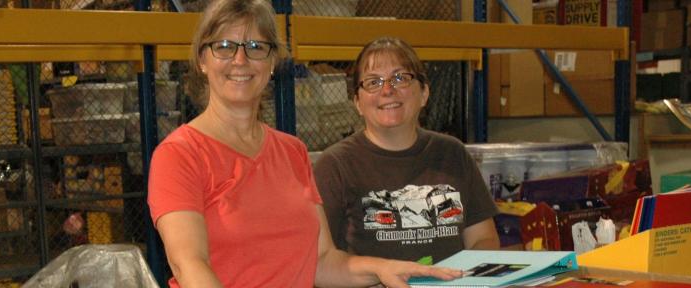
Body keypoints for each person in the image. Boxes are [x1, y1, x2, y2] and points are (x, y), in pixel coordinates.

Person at [147, 1, 462, 287]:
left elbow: (322, 262)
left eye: (256, 46)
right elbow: (189, 264)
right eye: (225, 46)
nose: (240, 59)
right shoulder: (180, 155)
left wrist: (383, 268)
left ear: (272, 62)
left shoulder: (292, 151)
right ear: (203, 59)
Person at [313, 37, 501, 265]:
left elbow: (483, 239)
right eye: (373, 82)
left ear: (424, 93)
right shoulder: (335, 166)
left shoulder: (453, 153)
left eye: (400, 78)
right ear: (357, 102)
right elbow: (322, 261)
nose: (387, 90)